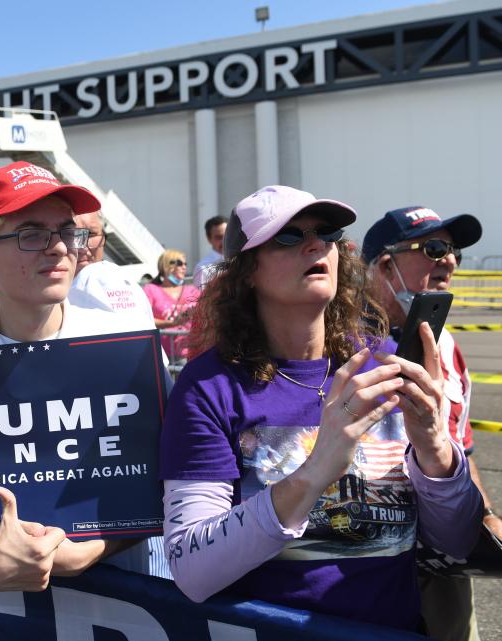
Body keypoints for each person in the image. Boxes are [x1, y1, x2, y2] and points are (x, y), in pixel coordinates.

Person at [160, 185, 483, 632]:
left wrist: (434, 451)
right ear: (247, 271)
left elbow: (457, 542)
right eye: (288, 237)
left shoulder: (385, 363)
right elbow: (191, 570)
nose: (316, 245)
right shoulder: (209, 387)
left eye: (326, 232)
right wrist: (313, 473)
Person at [0, 160, 167, 588]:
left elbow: (166, 485)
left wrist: (93, 548)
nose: (58, 248)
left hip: (126, 604)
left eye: (68, 232)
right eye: (31, 234)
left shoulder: (127, 349)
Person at [362, 206, 491, 641]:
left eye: (453, 250)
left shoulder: (447, 345)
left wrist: (485, 517)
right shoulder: (333, 345)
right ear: (384, 264)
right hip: (364, 563)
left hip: (444, 568)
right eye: (434, 248)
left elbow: (462, 446)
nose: (449, 261)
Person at [70, 209, 155, 327]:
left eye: (91, 234)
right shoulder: (42, 293)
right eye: (72, 234)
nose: (82, 247)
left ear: (104, 237)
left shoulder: (127, 285)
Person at [143, 249, 200, 363]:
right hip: (162, 355)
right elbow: (144, 320)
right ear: (166, 266)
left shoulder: (192, 290)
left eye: (185, 264)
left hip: (190, 353)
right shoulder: (151, 290)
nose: (184, 267)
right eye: (180, 263)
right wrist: (172, 323)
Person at [192, 215, 227, 288]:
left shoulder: (242, 259)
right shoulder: (203, 268)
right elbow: (200, 297)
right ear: (209, 239)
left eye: (227, 236)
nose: (224, 241)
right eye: (219, 237)